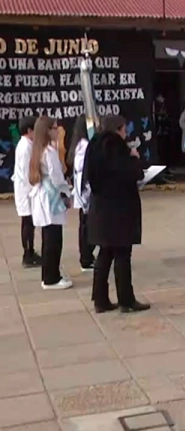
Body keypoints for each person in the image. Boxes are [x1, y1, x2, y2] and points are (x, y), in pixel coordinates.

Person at [84, 115, 150, 313]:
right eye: (124, 130)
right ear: (118, 130)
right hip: (118, 209)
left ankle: (100, 299)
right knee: (122, 253)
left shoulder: (93, 146)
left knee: (105, 253)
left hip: (100, 208)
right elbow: (130, 173)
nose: (126, 134)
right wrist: (135, 159)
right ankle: (126, 299)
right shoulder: (115, 148)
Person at [28, 116, 71, 290]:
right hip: (50, 197)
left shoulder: (38, 150)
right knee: (54, 238)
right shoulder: (49, 151)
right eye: (54, 128)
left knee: (49, 237)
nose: (57, 131)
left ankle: (50, 274)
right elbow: (56, 177)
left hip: (44, 195)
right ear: (47, 131)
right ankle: (51, 278)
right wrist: (67, 190)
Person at [67, 115, 95, 271]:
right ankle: (86, 258)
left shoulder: (78, 144)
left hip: (82, 188)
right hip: (85, 189)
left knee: (85, 224)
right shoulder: (84, 145)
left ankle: (87, 256)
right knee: (87, 225)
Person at [13, 116, 40, 268]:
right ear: (30, 130)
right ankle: (27, 254)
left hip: (28, 190)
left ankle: (30, 251)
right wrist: (33, 188)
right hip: (26, 191)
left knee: (29, 223)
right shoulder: (25, 147)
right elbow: (25, 173)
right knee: (27, 224)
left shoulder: (28, 145)